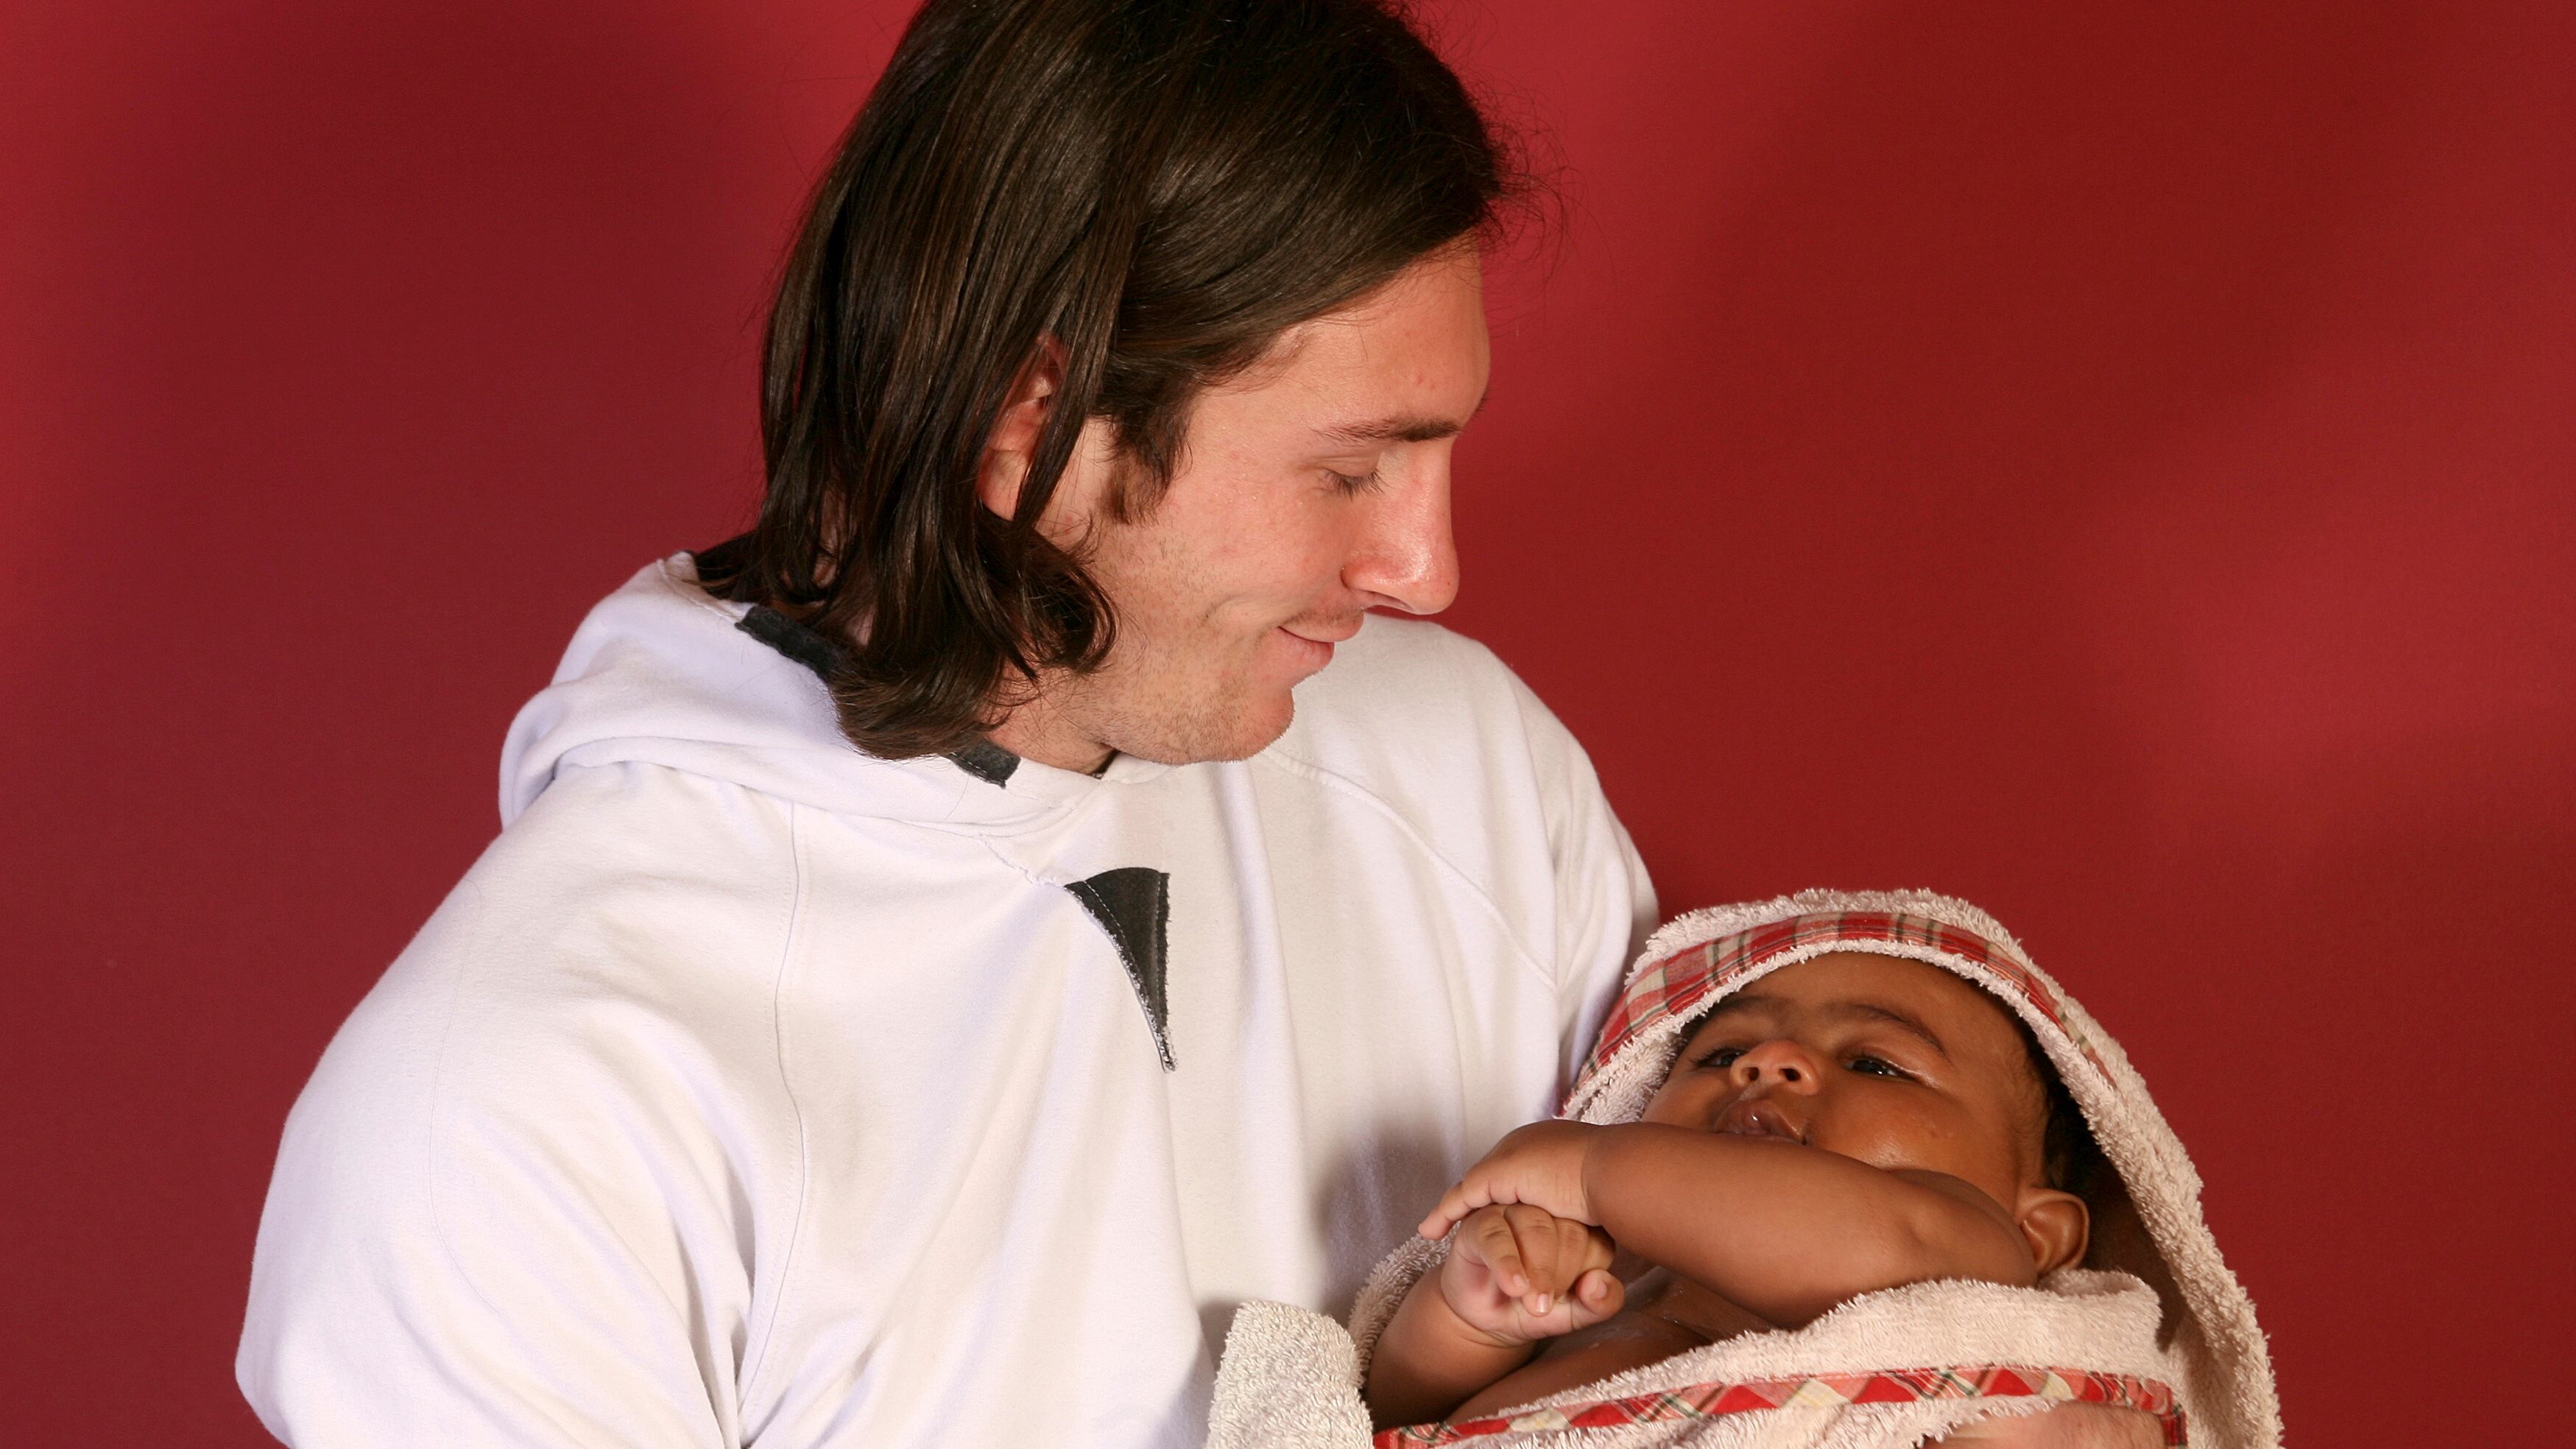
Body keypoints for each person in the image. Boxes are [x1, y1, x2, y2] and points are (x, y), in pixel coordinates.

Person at [239, 3, 1654, 1445]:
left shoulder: (1472, 770)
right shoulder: (516, 1117)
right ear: (1024, 423)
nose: (1424, 571)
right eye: (1350, 470)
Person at [1364, 948, 2102, 1428]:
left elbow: (1909, 1249)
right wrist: (1474, 1322)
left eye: (1874, 1064)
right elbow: (1392, 1415)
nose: (1767, 1060)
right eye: (1721, 1052)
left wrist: (1597, 1171)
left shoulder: (1971, 1267)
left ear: (2037, 1234)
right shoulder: (1596, 1286)